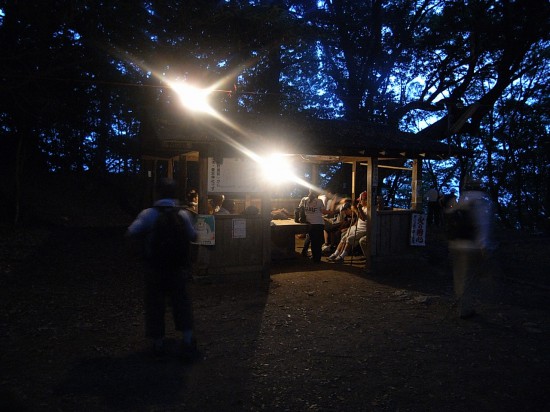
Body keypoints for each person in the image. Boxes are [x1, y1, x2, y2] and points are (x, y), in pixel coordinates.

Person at [126, 178, 200, 360]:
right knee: (181, 302)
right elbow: (194, 236)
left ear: (157, 193)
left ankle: (158, 343)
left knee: (155, 305)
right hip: (177, 268)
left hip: (155, 268)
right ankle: (188, 339)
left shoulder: (148, 214)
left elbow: (131, 232)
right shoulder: (183, 214)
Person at [447, 180, 494, 319]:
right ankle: (467, 309)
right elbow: (482, 224)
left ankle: (463, 307)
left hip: (456, 244)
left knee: (460, 277)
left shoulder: (462, 199)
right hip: (471, 246)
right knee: (471, 277)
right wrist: (484, 246)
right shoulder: (481, 200)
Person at [328, 191, 368, 263]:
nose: (360, 202)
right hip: (357, 227)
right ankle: (335, 254)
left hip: (363, 229)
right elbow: (358, 220)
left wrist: (356, 210)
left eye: (361, 200)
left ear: (365, 200)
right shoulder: (363, 208)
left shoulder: (369, 209)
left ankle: (342, 256)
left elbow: (363, 218)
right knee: (344, 237)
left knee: (350, 238)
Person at [298, 188, 327, 262]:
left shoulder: (304, 199)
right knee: (317, 242)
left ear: (309, 192)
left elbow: (300, 209)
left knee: (311, 238)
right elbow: (323, 212)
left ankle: (310, 255)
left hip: (308, 223)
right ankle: (317, 258)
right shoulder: (319, 201)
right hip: (318, 223)